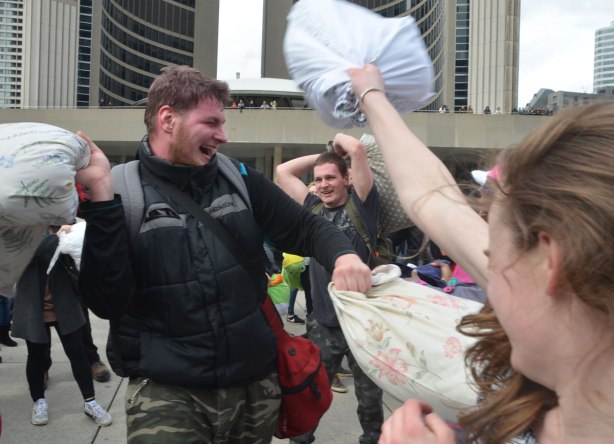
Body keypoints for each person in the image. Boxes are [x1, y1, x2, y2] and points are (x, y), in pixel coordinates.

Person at [74, 65, 371, 444]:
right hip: (169, 392)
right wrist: (100, 198)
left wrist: (345, 256)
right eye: (211, 122)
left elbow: (306, 227)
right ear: (168, 119)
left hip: (254, 385)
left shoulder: (239, 177)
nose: (223, 135)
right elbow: (106, 302)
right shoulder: (120, 190)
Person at [347, 63, 614, 443]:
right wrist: (371, 96)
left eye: (493, 251)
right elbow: (434, 201)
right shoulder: (558, 297)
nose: (483, 264)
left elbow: (437, 203)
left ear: (549, 264)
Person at [277, 133, 384, 444]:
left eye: (330, 177)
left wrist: (337, 147)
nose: (323, 184)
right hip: (324, 324)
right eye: (318, 179)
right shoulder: (313, 208)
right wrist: (323, 157)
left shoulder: (362, 204)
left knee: (370, 403)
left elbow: (358, 148)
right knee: (309, 397)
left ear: (347, 179)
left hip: (363, 326)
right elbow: (284, 171)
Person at [11, 227, 112, 427]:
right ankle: (39, 401)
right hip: (34, 306)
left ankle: (90, 402)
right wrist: (58, 238)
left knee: (78, 354)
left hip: (64, 303)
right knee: (36, 357)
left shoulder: (59, 223)